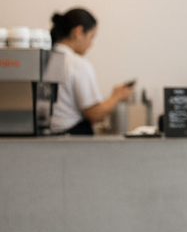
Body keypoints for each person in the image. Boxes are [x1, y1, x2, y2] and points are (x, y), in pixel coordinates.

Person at [48, 8, 132, 136]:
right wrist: (117, 95)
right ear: (78, 31)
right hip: (72, 138)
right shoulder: (77, 64)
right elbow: (94, 114)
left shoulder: (44, 58)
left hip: (47, 137)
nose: (91, 44)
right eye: (91, 37)